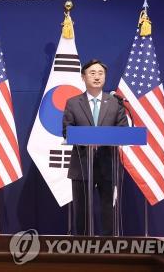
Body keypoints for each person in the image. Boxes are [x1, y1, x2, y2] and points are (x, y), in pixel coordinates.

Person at [62, 59, 128, 236]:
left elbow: (123, 130)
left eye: (101, 73)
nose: (97, 77)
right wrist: (86, 139)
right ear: (83, 77)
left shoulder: (115, 102)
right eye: (92, 73)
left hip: (108, 164)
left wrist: (104, 138)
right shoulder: (73, 103)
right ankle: (82, 247)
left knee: (109, 209)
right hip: (82, 164)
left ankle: (109, 246)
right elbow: (67, 131)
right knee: (81, 211)